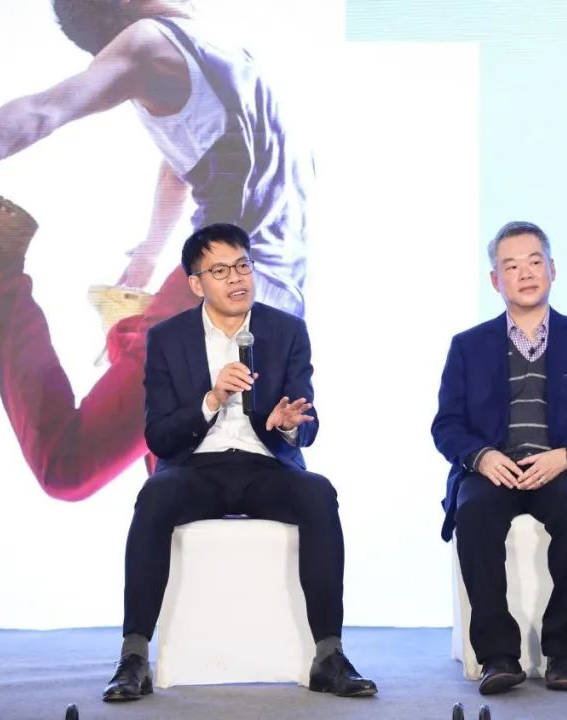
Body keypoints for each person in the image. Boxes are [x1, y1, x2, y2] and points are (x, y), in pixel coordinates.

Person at [0, 0, 312, 499]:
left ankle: (113, 319)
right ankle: (24, 270)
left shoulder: (179, 47)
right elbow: (44, 111)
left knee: (137, 473)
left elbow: (178, 167)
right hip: (259, 304)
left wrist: (149, 255)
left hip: (241, 304)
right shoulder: (202, 47)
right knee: (156, 479)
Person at [102, 223, 375, 701]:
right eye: (220, 270)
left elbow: (307, 424)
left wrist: (288, 425)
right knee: (154, 496)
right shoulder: (167, 338)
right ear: (196, 284)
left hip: (264, 467)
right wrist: (211, 399)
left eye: (243, 266)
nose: (236, 278)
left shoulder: (286, 330)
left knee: (319, 493)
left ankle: (329, 655)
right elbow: (159, 437)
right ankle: (134, 657)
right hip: (195, 470)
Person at [431, 221, 567, 695]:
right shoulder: (468, 345)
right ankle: (498, 656)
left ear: (552, 269)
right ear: (495, 280)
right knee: (473, 512)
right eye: (511, 266)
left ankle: (565, 655)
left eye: (535, 262)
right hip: (494, 468)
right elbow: (447, 425)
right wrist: (481, 457)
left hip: (561, 466)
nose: (525, 273)